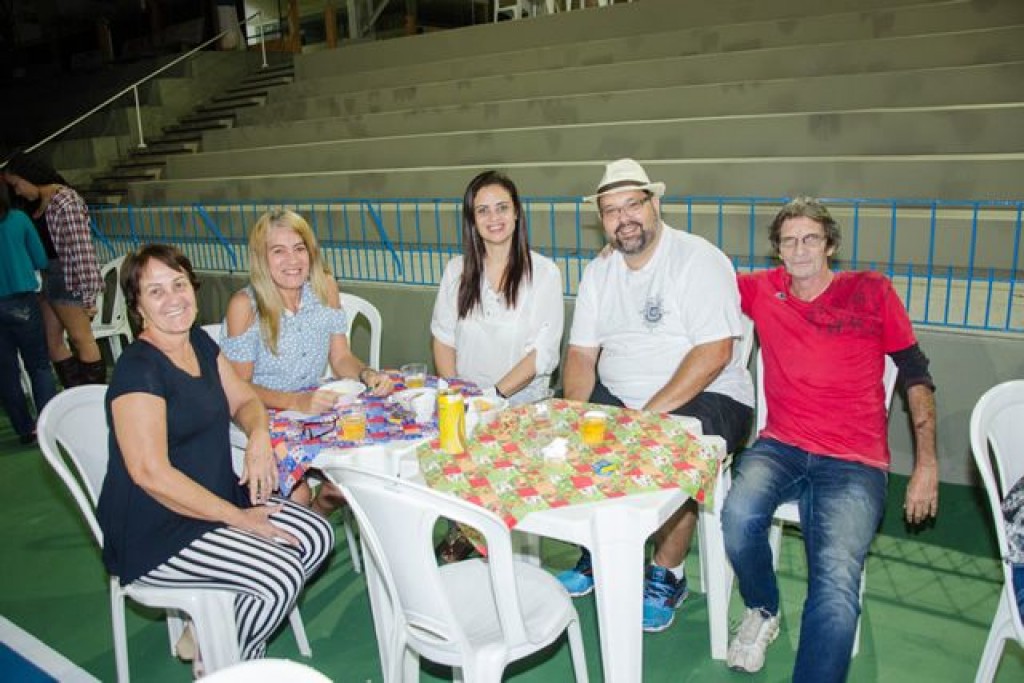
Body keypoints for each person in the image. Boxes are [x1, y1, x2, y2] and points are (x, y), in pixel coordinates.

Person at [721, 196, 939, 681]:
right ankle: (763, 608)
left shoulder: (871, 290)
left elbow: (915, 373)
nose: (799, 250)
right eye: (789, 241)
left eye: (810, 239)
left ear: (830, 246)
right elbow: (700, 279)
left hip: (854, 462)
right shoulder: (762, 289)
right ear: (777, 250)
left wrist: (927, 463)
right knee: (736, 516)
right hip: (782, 446)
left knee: (836, 582)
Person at [97, 244, 334, 674]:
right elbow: (150, 474)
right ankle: (232, 666)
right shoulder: (138, 370)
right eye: (155, 291)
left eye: (179, 284)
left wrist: (258, 435)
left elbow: (244, 399)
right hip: (159, 529)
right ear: (137, 305)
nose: (173, 299)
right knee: (278, 574)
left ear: (193, 287)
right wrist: (239, 519)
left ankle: (213, 639)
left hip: (214, 500)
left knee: (316, 536)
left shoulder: (199, 343)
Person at [559, 158, 754, 632]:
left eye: (633, 205)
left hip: (711, 392)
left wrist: (643, 418)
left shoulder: (697, 259)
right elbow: (581, 355)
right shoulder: (599, 272)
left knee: (669, 446)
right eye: (611, 211)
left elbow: (714, 352)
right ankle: (597, 551)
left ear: (655, 204)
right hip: (627, 397)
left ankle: (668, 572)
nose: (624, 219)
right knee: (580, 432)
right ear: (601, 220)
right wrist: (576, 413)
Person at [222, 208, 393, 514]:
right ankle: (309, 520)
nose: (292, 260)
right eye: (279, 251)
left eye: (299, 248)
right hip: (261, 415)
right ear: (261, 258)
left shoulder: (325, 287)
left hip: (313, 407)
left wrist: (367, 374)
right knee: (297, 496)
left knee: (365, 469)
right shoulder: (245, 306)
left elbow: (340, 357)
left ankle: (320, 511)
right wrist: (296, 402)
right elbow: (238, 387)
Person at [431, 170, 564, 405]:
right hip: (466, 403)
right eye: (483, 210)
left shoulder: (545, 273)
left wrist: (491, 398)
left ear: (516, 212)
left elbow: (542, 354)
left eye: (502, 208)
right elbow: (443, 340)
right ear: (472, 220)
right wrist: (456, 395)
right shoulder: (455, 270)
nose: (494, 217)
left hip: (521, 405)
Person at [3, 151, 105, 387]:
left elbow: (82, 251)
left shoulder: (65, 201)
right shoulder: (39, 202)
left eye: (17, 185)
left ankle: (93, 398)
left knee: (81, 339)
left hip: (69, 278)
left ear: (29, 176)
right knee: (52, 343)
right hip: (51, 279)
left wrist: (89, 295)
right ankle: (76, 393)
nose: (17, 191)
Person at [0, 181, 58, 444]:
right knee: (39, 366)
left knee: (6, 373)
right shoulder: (18, 219)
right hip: (22, 301)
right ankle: (45, 426)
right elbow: (40, 259)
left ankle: (24, 429)